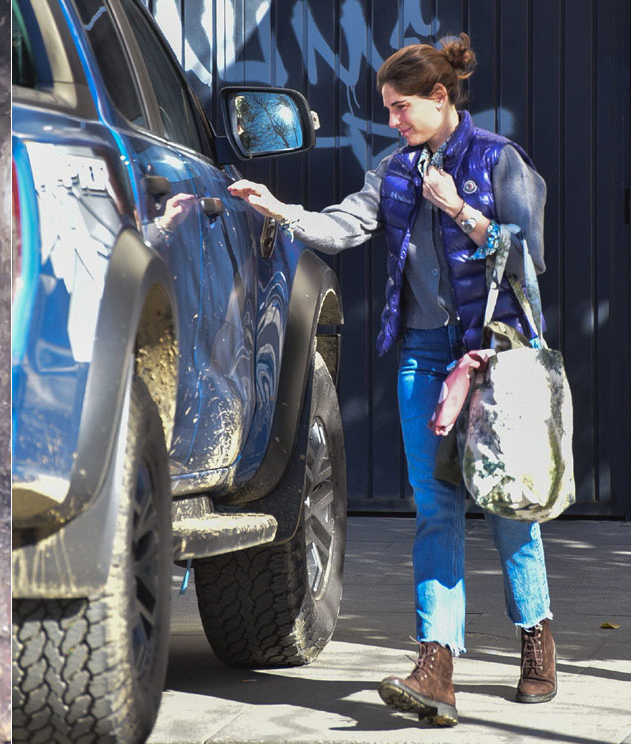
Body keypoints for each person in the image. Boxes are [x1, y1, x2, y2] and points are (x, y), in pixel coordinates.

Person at [227, 33, 554, 726]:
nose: (394, 122)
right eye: (389, 111)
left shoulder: (501, 161)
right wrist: (280, 210)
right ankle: (437, 663)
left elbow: (527, 260)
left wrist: (461, 211)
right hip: (422, 356)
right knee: (436, 510)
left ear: (441, 98)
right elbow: (349, 225)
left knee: (503, 507)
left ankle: (537, 635)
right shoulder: (394, 167)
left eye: (403, 108)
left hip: (493, 355)